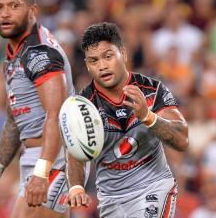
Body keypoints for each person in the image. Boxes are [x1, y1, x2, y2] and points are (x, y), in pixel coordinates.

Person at [0, 0, 89, 218]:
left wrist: (42, 172)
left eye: (14, 6)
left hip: (55, 157)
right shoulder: (14, 56)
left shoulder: (40, 53)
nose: (4, 13)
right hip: (38, 157)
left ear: (32, 11)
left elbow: (56, 114)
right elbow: (14, 122)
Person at [65, 22, 189, 218]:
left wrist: (147, 116)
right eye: (94, 61)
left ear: (123, 53)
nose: (102, 66)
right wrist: (77, 187)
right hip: (111, 199)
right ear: (88, 65)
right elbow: (75, 154)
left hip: (153, 188)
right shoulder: (83, 105)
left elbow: (182, 139)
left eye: (108, 56)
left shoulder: (152, 90)